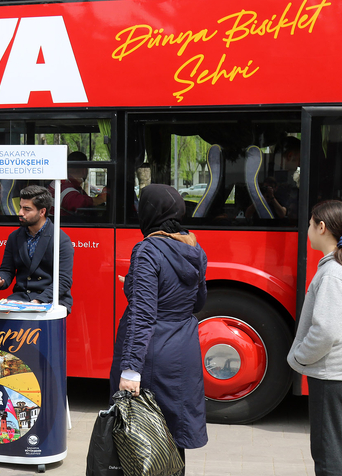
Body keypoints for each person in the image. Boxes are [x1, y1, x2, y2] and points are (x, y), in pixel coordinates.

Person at [110, 184, 208, 474]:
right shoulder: (194, 246)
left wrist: (130, 369)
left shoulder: (147, 250)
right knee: (173, 433)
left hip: (152, 352)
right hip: (185, 347)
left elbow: (143, 314)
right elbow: (199, 301)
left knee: (143, 436)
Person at [287, 200, 342, 476]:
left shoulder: (333, 273)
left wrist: (300, 356)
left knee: (327, 452)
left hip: (332, 372)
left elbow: (326, 331)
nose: (308, 229)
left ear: (321, 227)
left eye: (310, 224)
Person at [0, 185, 74, 312]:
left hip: (52, 300)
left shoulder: (61, 239)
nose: (20, 213)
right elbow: (6, 270)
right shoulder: (14, 237)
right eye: (20, 207)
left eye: (27, 209)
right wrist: (0, 280)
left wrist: (38, 301)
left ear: (42, 212)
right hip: (21, 298)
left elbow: (63, 281)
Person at [50, 151, 108, 218]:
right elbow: (78, 203)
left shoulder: (73, 186)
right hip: (62, 225)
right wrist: (102, 199)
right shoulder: (62, 184)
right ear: (84, 170)